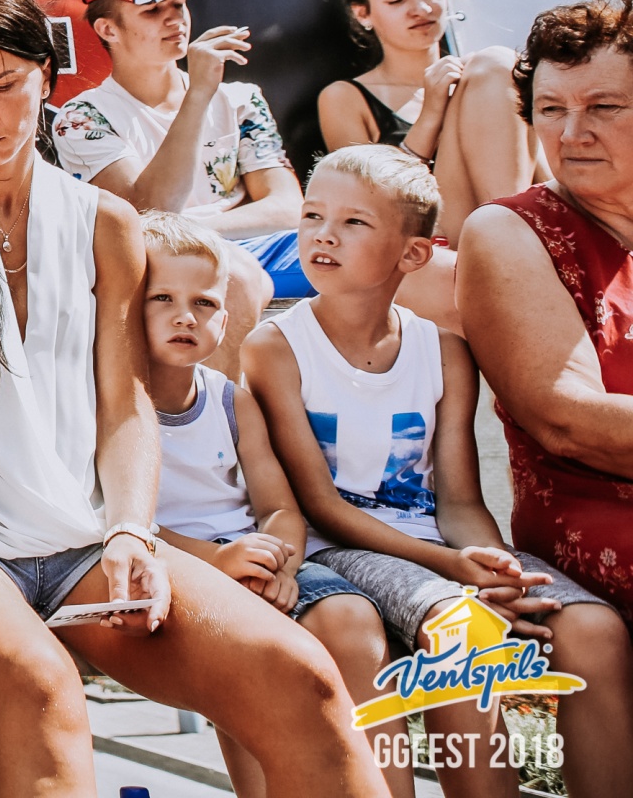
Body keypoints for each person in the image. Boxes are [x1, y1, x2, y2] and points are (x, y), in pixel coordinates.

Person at [0, 0, 384, 798]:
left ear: (47, 74)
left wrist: (132, 532)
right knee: (38, 685)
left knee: (301, 677)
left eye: (2, 86)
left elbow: (126, 404)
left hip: (81, 535)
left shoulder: (105, 220)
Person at [247, 145, 632, 798]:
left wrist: (494, 566)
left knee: (595, 629)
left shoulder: (446, 352)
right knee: (464, 628)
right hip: (336, 548)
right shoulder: (276, 348)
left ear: (413, 254)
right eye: (312, 215)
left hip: (434, 546)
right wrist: (454, 569)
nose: (323, 235)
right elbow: (321, 506)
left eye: (354, 222)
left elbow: (457, 502)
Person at [138, 212, 397, 798]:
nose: (186, 316)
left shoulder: (231, 402)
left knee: (350, 618)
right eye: (162, 299)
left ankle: (379, 785)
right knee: (248, 647)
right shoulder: (114, 406)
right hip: (174, 564)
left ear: (225, 320)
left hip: (258, 557)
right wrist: (218, 562)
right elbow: (117, 520)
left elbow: (278, 506)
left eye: (204, 303)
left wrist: (280, 562)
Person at [460, 0, 633, 619]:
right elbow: (568, 421)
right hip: (601, 524)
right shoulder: (510, 231)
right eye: (550, 109)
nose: (571, 133)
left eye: (603, 107)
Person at [52, 0, 298, 375]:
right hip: (164, 266)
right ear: (108, 29)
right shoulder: (82, 118)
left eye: (179, 5)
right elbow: (148, 212)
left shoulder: (241, 98)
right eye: (152, 10)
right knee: (236, 275)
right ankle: (227, 414)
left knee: (396, 256)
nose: (175, 20)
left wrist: (194, 229)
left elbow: (288, 208)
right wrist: (198, 95)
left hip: (257, 246)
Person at [318, 0, 542, 246]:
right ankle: (508, 242)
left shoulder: (483, 76)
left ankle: (509, 239)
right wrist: (432, 113)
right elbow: (364, 200)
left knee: (498, 63)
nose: (421, 9)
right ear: (363, 14)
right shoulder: (344, 97)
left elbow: (541, 168)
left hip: (505, 216)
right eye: (396, 1)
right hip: (420, 235)